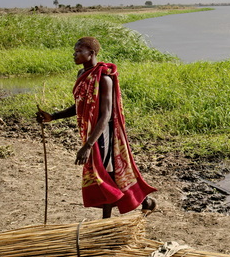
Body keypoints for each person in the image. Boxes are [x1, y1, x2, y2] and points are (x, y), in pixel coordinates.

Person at [36, 37, 156, 219]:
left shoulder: (105, 79)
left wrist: (88, 145)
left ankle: (106, 222)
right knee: (106, 173)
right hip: (89, 133)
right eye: (75, 51)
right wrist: (53, 117)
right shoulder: (82, 74)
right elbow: (81, 106)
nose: (75, 55)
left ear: (91, 53)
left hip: (103, 133)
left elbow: (105, 115)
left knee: (105, 174)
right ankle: (145, 202)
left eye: (79, 51)